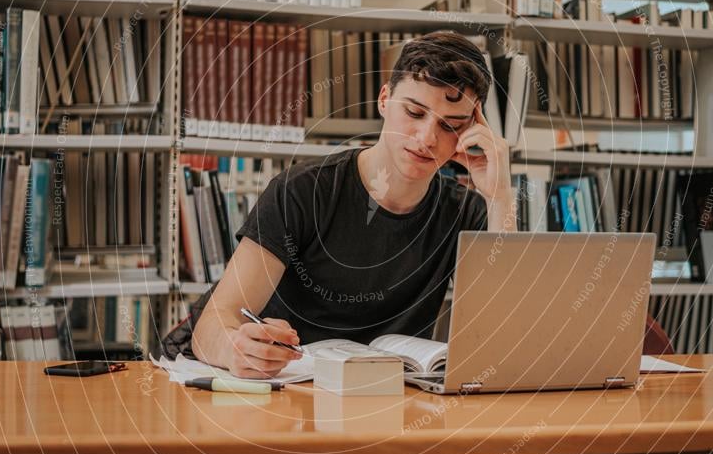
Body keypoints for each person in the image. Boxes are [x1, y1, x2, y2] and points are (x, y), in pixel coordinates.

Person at [186, 31, 516, 378]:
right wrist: (236, 349)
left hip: (390, 402)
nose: (426, 139)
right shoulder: (300, 192)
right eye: (414, 112)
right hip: (288, 394)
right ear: (384, 100)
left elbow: (501, 340)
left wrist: (500, 198)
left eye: (450, 125)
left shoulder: (466, 212)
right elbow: (211, 324)